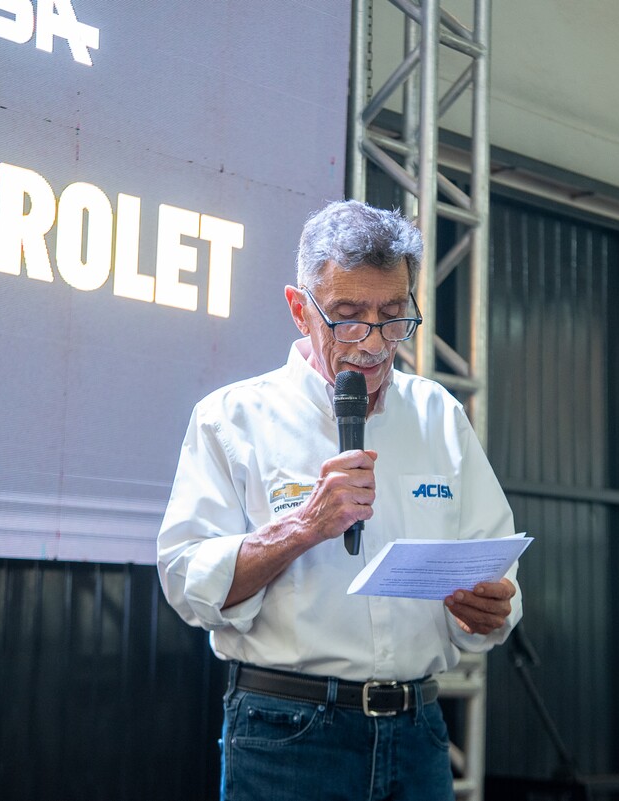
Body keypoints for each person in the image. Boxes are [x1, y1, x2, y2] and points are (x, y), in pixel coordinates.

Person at [157, 199, 522, 801]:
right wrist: (304, 527)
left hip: (418, 733)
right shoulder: (231, 418)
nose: (372, 342)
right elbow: (185, 579)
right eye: (348, 317)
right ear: (300, 309)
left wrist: (491, 608)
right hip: (288, 735)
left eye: (393, 315)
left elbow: (496, 563)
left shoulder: (439, 414)